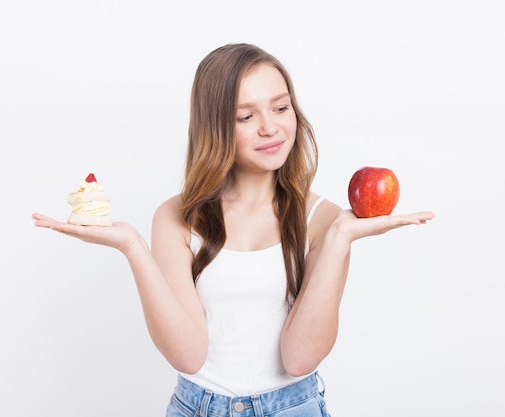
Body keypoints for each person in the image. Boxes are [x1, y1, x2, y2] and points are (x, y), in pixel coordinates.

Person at [32, 43, 434, 417]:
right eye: (246, 116)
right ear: (216, 126)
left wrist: (341, 240)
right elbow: (189, 355)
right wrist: (133, 247)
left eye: (281, 108)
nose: (270, 127)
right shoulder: (176, 217)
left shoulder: (324, 219)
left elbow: (300, 358)